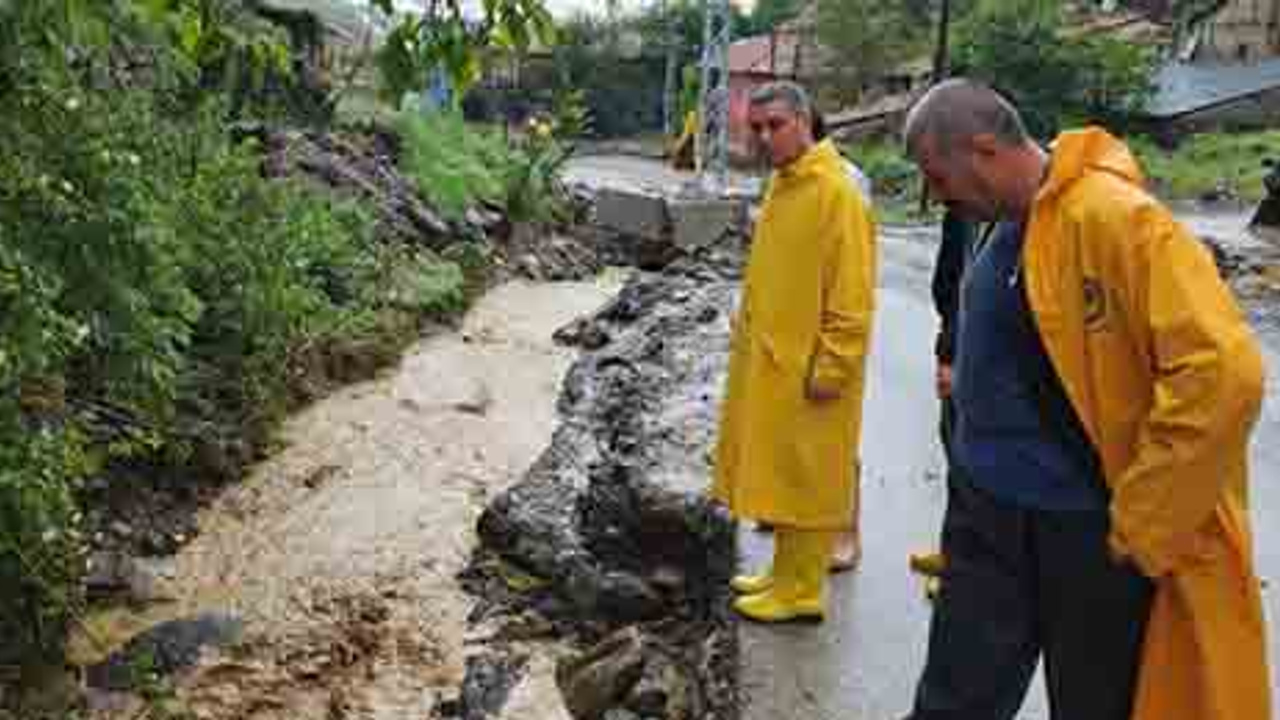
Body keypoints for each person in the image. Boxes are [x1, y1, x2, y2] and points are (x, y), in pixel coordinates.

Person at [901, 78, 1269, 720]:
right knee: (953, 699)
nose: (936, 197)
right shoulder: (994, 226)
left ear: (984, 150)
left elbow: (1222, 372)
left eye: (938, 176)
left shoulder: (1118, 219)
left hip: (1085, 530)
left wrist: (1144, 521)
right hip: (989, 520)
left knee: (1095, 703)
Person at [710, 80, 878, 623]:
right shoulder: (785, 184)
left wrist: (833, 365)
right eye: (755, 128)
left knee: (809, 479)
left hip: (813, 367)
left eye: (775, 125)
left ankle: (803, 590)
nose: (764, 137)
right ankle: (783, 575)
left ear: (805, 123)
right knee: (785, 474)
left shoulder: (837, 192)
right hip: (775, 359)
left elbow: (853, 295)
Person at [908, 209, 977, 587]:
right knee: (953, 445)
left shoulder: (994, 210)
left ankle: (964, 564)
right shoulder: (964, 211)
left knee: (970, 461)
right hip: (958, 338)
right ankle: (954, 548)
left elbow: (966, 286)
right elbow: (951, 284)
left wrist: (950, 353)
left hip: (972, 350)